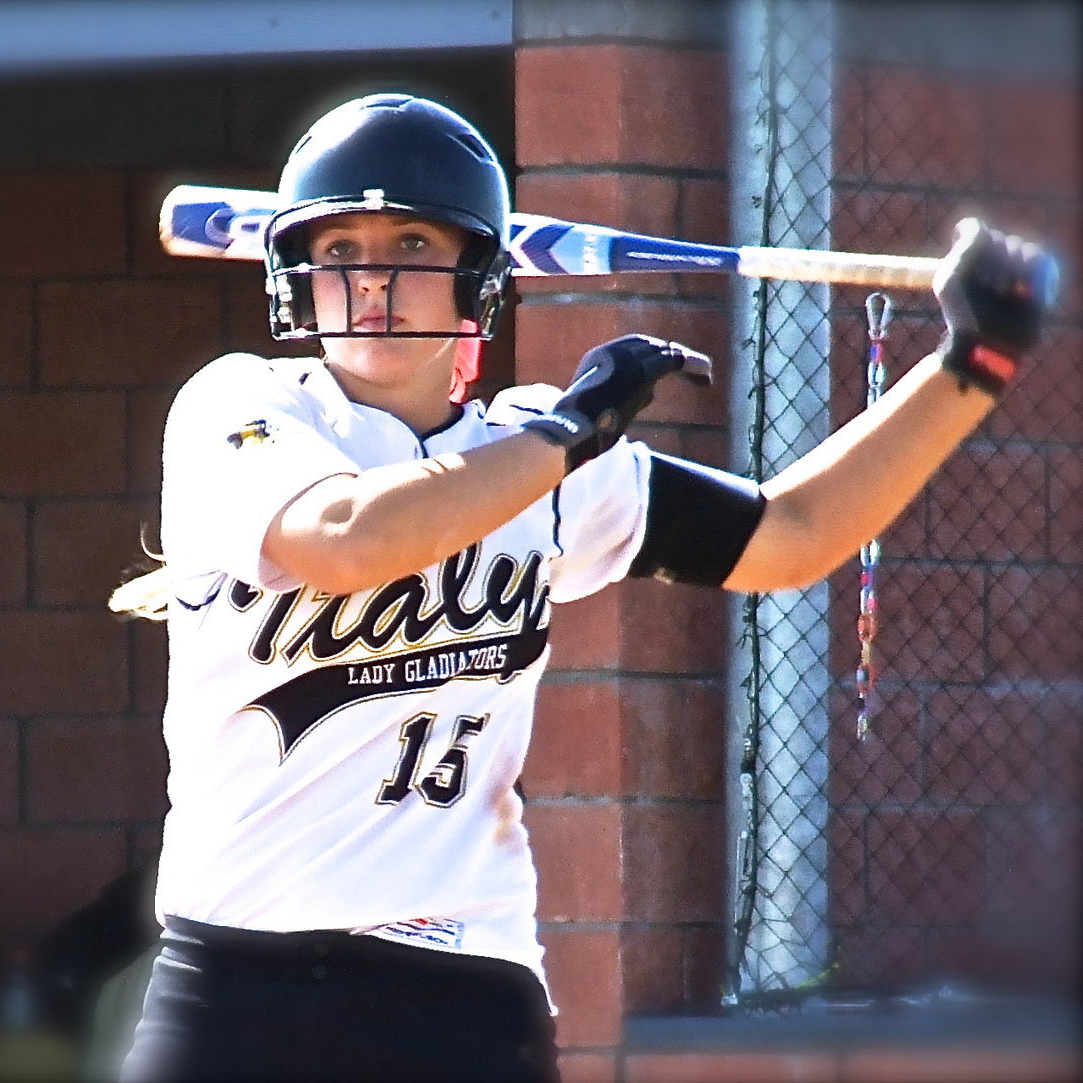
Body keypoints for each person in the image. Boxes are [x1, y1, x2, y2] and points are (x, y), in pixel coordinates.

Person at [109, 93, 1050, 1083]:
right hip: (233, 978)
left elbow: (793, 533)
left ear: (477, 273)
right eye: (340, 248)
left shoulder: (538, 456)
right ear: (299, 273)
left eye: (413, 244)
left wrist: (970, 367)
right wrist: (566, 435)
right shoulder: (243, 407)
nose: (373, 281)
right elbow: (347, 540)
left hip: (460, 984)